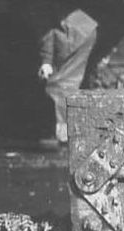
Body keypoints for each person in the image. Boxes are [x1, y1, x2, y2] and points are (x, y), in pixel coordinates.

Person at [37, 7, 99, 144]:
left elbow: (47, 32)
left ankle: (63, 133)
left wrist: (46, 62)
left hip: (76, 33)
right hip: (83, 29)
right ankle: (65, 131)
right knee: (64, 83)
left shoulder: (31, 9)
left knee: (58, 85)